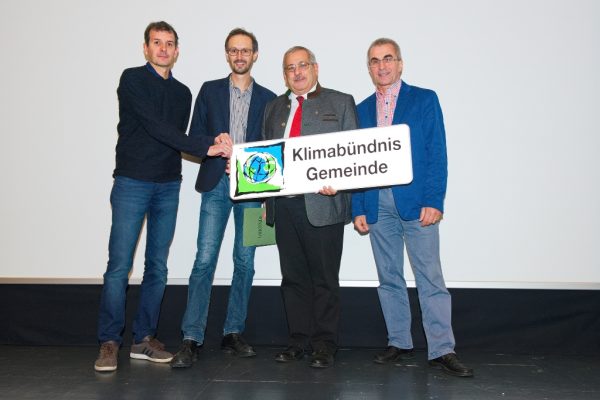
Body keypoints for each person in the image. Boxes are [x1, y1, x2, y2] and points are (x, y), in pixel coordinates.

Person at [94, 21, 232, 372]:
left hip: (168, 185)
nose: (163, 49)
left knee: (157, 266)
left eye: (169, 43)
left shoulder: (184, 92)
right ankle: (109, 341)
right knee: (119, 267)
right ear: (146, 48)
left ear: (177, 50)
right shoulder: (132, 79)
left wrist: (215, 145)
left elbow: (174, 138)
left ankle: (143, 339)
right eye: (157, 43)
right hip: (131, 183)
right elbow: (159, 129)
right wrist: (208, 146)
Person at [352, 38, 474, 377]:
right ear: (369, 68)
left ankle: (441, 348)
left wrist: (434, 200)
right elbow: (355, 163)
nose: (382, 66)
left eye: (388, 58)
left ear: (400, 63)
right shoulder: (361, 109)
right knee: (388, 277)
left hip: (417, 202)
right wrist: (358, 207)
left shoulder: (424, 99)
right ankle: (399, 341)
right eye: (374, 60)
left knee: (430, 277)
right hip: (377, 203)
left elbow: (437, 152)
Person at [170, 28, 276, 368]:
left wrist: (265, 193)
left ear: (255, 55)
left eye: (246, 50)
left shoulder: (270, 99)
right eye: (234, 50)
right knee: (204, 260)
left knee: (245, 262)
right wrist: (211, 142)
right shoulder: (210, 91)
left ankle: (233, 332)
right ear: (227, 55)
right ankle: (192, 337)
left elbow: (272, 150)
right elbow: (194, 137)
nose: (240, 56)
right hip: (216, 184)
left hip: (252, 189)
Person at [262, 46, 358, 369]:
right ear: (284, 74)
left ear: (315, 68)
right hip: (284, 207)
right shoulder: (273, 108)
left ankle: (325, 344)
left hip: (323, 205)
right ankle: (298, 341)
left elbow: (353, 154)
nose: (297, 72)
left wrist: (341, 180)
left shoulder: (341, 102)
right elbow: (267, 157)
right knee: (293, 279)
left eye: (303, 65)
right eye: (290, 68)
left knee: (325, 279)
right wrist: (264, 198)